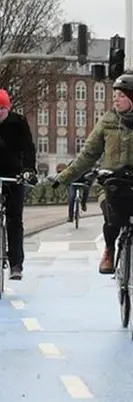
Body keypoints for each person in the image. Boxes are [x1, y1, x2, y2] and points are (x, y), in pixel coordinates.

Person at [53, 73, 133, 315]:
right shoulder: (107, 122)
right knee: (111, 215)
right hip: (110, 182)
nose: (115, 100)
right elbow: (88, 154)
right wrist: (64, 178)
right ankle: (109, 250)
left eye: (121, 96)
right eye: (114, 95)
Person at [0, 89, 36, 280]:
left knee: (14, 219)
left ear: (8, 108)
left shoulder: (18, 123)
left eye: (1, 109)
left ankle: (16, 264)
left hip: (14, 175)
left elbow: (28, 149)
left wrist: (28, 170)